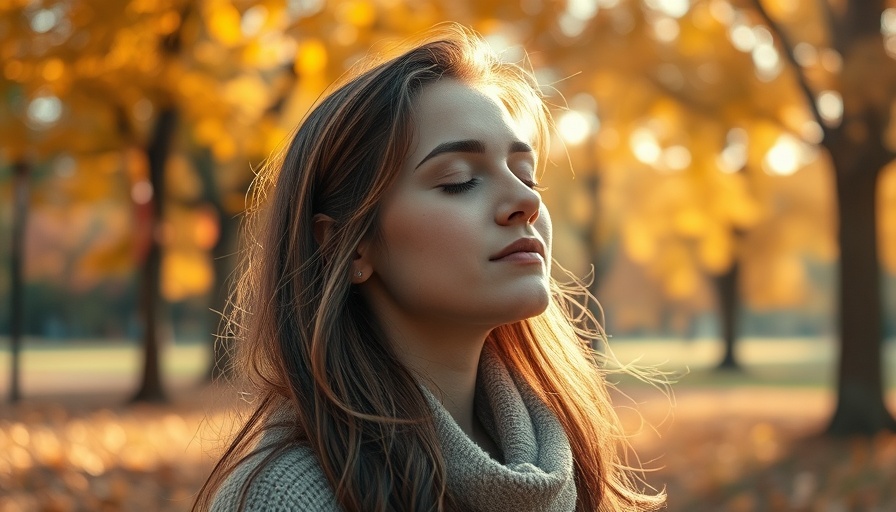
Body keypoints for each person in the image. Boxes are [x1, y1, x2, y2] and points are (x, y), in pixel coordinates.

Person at [193, 23, 665, 512]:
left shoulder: (569, 461)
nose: (525, 200)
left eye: (527, 175)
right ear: (348, 247)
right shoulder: (288, 497)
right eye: (459, 181)